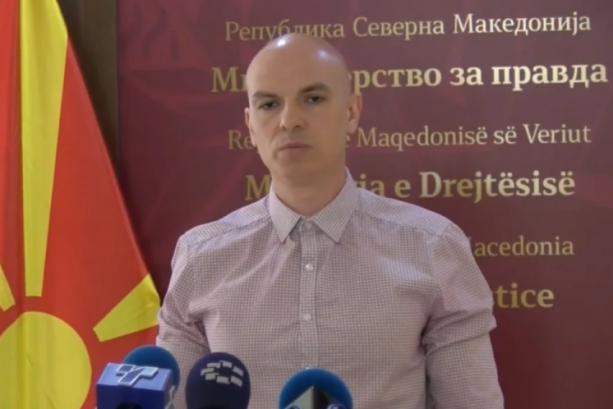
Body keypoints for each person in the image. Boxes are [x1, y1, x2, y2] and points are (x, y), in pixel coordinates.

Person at [156, 33, 505, 409]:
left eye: (313, 99)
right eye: (269, 104)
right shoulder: (201, 257)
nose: (289, 120)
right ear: (251, 126)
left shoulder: (431, 246)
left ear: (352, 112)